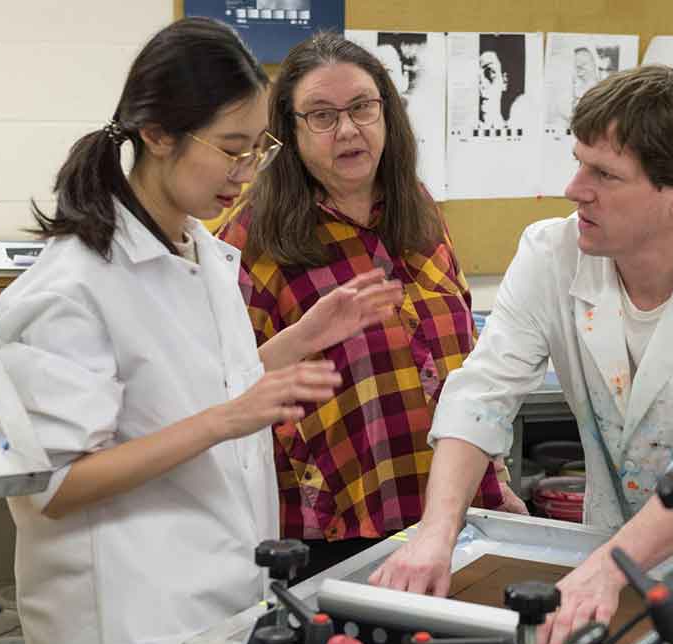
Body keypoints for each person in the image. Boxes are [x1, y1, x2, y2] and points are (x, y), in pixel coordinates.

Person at [0, 19, 397, 644]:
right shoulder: (70, 287)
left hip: (217, 604)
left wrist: (298, 340)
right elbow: (53, 486)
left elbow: (190, 387)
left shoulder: (197, 251)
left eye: (259, 150)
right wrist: (229, 419)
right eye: (232, 149)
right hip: (129, 629)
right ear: (156, 134)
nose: (247, 174)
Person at [371, 66, 673, 644]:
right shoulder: (553, 253)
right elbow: (483, 392)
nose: (575, 188)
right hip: (604, 547)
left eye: (604, 173)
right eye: (579, 162)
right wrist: (436, 531)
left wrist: (609, 567)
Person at [219, 32, 524, 583]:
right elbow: (222, 388)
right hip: (330, 530)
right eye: (322, 115)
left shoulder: (419, 209)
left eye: (362, 106)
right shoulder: (252, 235)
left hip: (448, 511)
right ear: (288, 130)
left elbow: (464, 362)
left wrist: (493, 474)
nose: (348, 129)